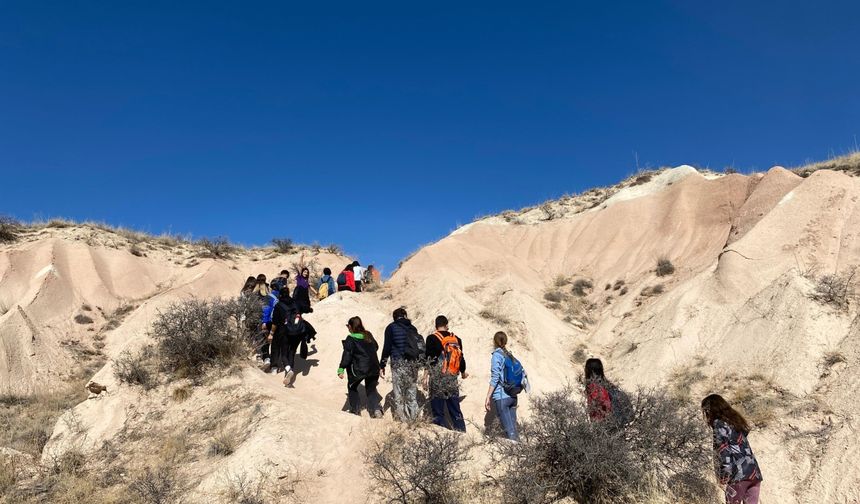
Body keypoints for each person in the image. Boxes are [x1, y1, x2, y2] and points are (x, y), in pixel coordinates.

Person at [702, 394, 763, 504]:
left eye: (706, 412)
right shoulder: (736, 422)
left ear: (710, 410)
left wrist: (724, 477)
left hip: (738, 475)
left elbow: (724, 452)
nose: (706, 416)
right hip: (754, 473)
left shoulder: (719, 424)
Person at [425, 315, 468, 432]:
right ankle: (462, 431)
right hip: (452, 378)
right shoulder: (456, 339)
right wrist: (463, 372)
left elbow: (429, 359)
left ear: (436, 326)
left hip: (437, 378)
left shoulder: (431, 338)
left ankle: (440, 434)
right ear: (447, 325)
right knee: (455, 408)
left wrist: (425, 377)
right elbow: (460, 359)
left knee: (438, 410)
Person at [380, 307, 423, 422]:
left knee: (398, 395)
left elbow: (387, 348)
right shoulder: (413, 328)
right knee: (411, 395)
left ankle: (402, 422)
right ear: (405, 316)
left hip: (398, 364)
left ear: (394, 318)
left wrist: (382, 365)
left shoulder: (391, 328)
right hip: (412, 365)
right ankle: (414, 421)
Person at [337, 316, 383, 417]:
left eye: (347, 326)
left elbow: (347, 355)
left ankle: (356, 411)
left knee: (352, 386)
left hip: (360, 369)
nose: (348, 328)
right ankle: (376, 410)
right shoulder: (368, 334)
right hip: (374, 367)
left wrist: (341, 369)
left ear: (350, 326)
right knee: (371, 389)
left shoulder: (351, 338)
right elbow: (376, 346)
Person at [484, 331, 520, 441]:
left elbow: (495, 377)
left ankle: (517, 455)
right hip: (513, 396)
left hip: (502, 397)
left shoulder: (497, 355)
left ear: (494, 342)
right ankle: (521, 454)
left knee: (510, 433)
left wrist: (488, 396)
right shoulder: (509, 355)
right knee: (514, 431)